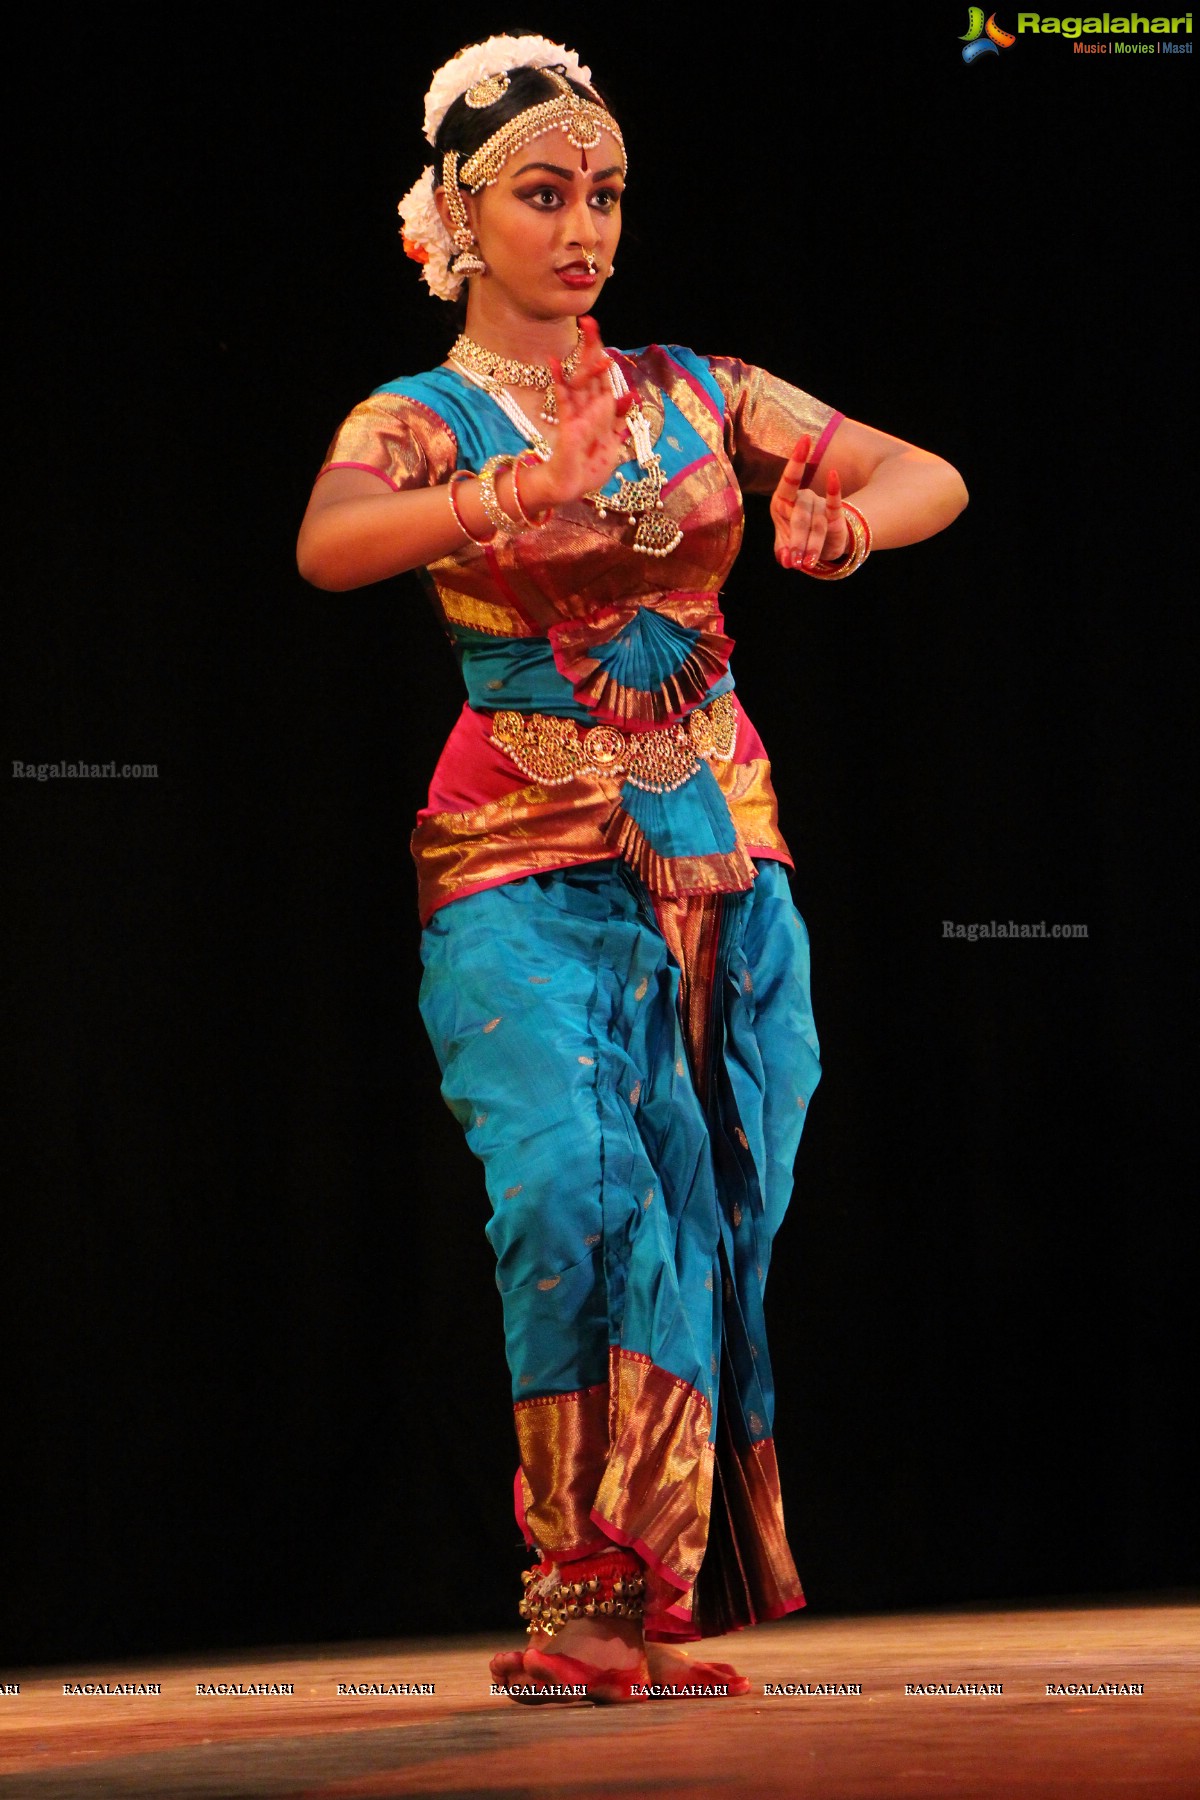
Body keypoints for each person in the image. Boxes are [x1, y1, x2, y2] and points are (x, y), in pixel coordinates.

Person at [297, 34, 967, 1705]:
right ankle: (570, 1590)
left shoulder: (694, 387)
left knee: (718, 1198)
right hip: (520, 851)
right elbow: (330, 544)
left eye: (601, 191)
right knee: (569, 1187)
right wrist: (509, 487)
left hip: (719, 845)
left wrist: (848, 522)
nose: (582, 224)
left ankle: (651, 1597)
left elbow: (924, 470)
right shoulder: (416, 415)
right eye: (541, 193)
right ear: (458, 212)